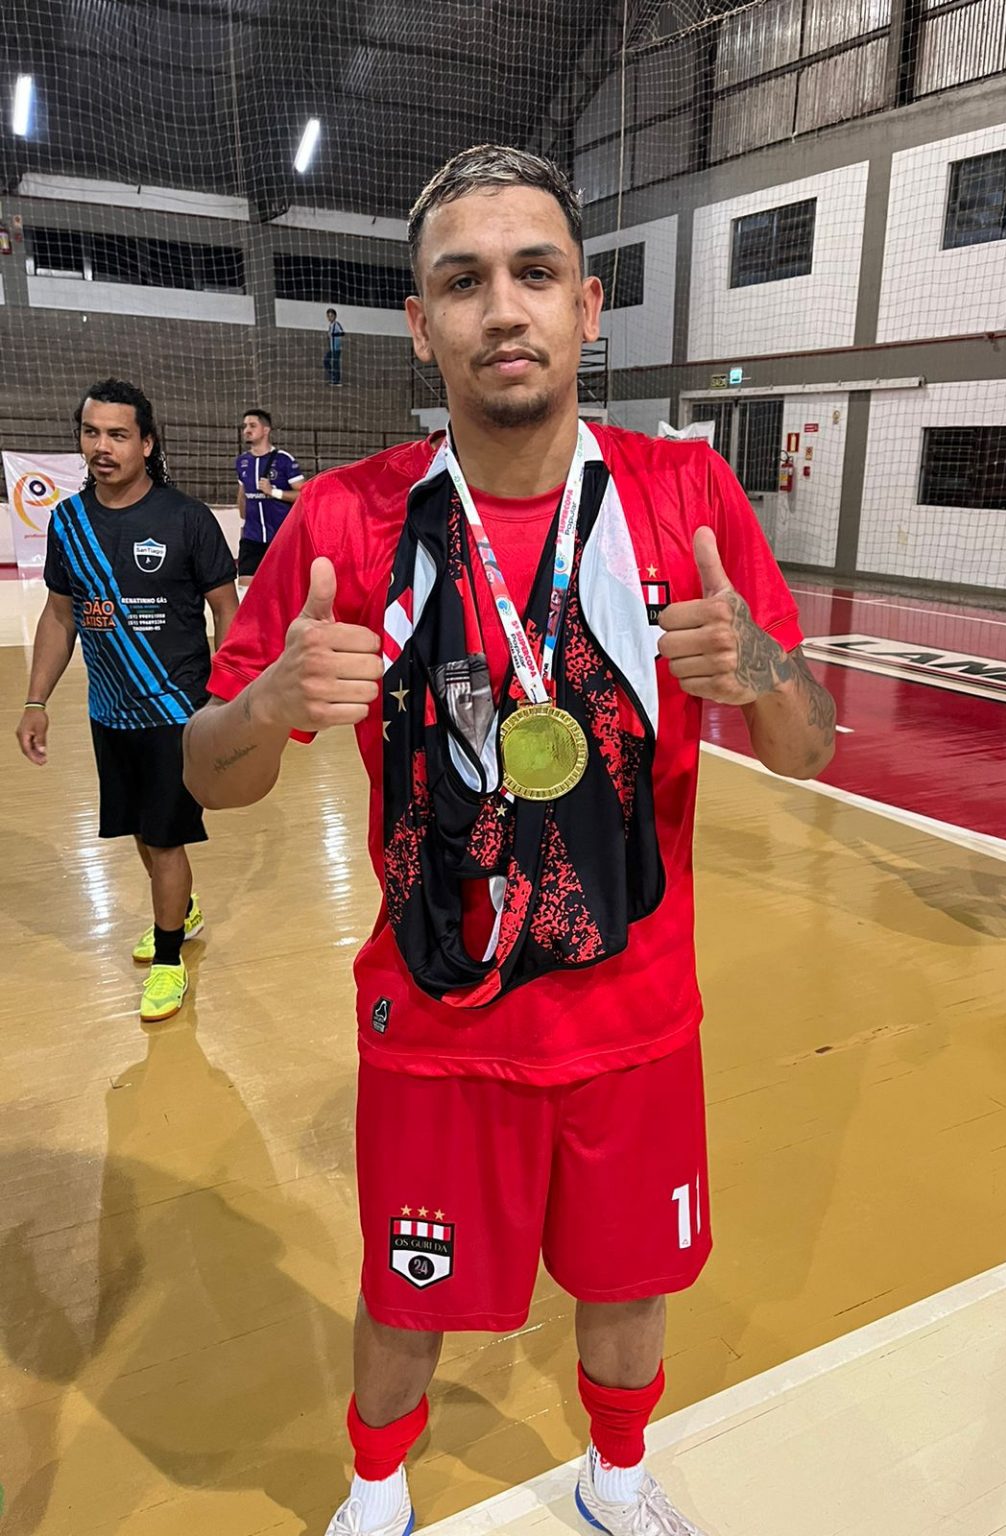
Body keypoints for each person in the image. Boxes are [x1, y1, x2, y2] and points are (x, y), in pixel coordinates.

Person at [184, 145, 836, 1536]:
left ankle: (617, 1474)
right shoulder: (347, 519)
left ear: (587, 307)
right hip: (436, 1017)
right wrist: (264, 703)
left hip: (636, 1018)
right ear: (420, 324)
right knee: (402, 1290)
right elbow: (211, 778)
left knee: (631, 1280)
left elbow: (809, 748)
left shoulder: (686, 496)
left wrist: (767, 668)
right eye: (462, 281)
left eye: (534, 273)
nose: (502, 309)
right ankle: (375, 1491)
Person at [17, 378, 238, 1021]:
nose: (102, 447)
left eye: (117, 434)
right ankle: (182, 913)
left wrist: (226, 697)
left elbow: (227, 610)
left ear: (147, 443)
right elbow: (60, 616)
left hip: (177, 710)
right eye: (91, 433)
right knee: (142, 829)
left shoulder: (187, 518)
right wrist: (35, 702)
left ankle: (169, 961)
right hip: (110, 711)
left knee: (165, 840)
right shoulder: (69, 522)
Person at [235, 408, 306, 585]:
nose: (246, 430)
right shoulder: (242, 461)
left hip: (281, 538)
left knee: (282, 586)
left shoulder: (283, 459)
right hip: (252, 538)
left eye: (252, 426)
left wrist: (273, 492)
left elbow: (304, 495)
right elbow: (242, 494)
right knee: (245, 587)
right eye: (245, 426)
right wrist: (245, 521)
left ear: (266, 430)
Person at [325, 308, 346, 386]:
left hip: (336, 348)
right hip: (332, 348)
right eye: (328, 316)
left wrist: (333, 335)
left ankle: (337, 380)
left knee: (335, 363)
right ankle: (334, 375)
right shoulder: (330, 325)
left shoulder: (336, 324)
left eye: (331, 316)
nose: (330, 318)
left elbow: (342, 333)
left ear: (335, 316)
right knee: (326, 361)